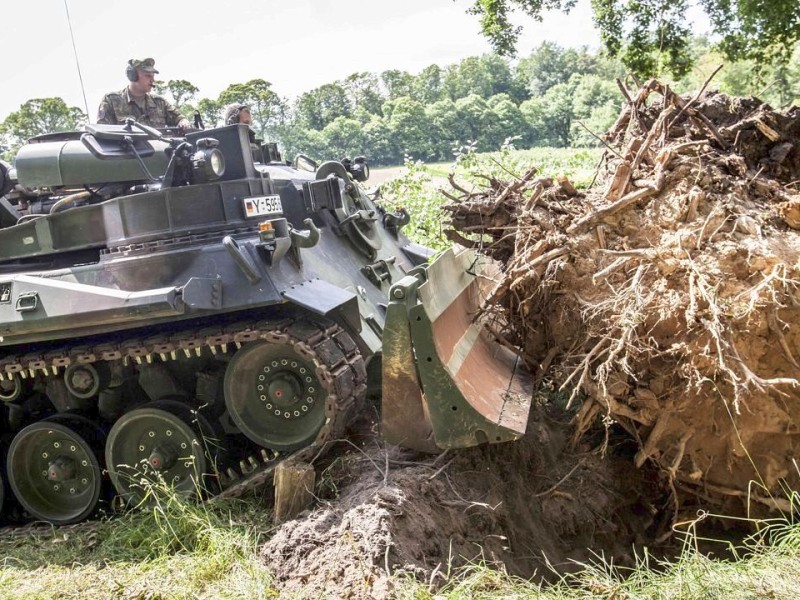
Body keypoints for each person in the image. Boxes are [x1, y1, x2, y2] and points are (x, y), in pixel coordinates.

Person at [97, 58, 191, 129]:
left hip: (158, 153)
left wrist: (184, 122)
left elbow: (180, 118)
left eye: (153, 76)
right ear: (133, 76)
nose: (153, 80)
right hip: (126, 154)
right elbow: (102, 131)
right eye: (148, 76)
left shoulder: (160, 103)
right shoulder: (111, 100)